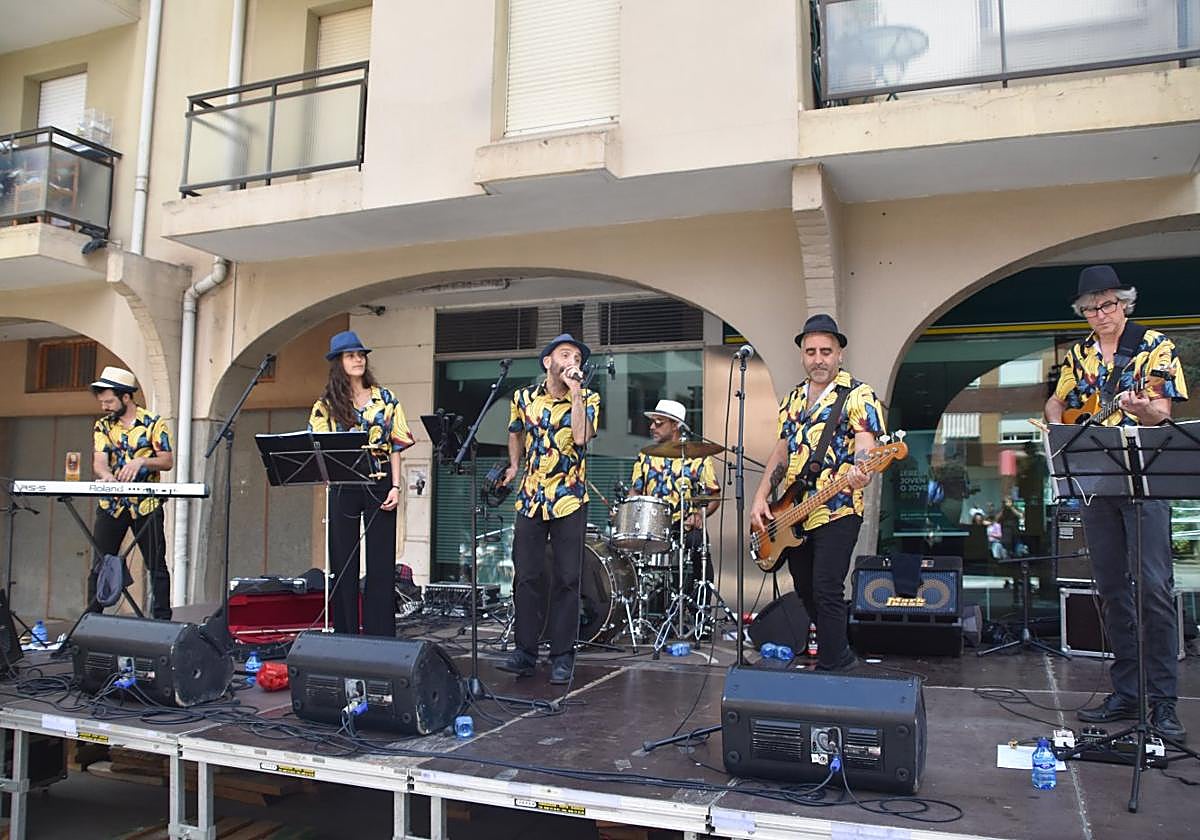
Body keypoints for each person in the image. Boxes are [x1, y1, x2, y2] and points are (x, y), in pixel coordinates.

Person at [1044, 264, 1188, 740]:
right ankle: (1127, 691)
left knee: (1153, 588)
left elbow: (1162, 411)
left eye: (1108, 305)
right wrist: (1055, 422)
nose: (1100, 315)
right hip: (1096, 481)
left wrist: (1143, 407)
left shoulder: (1154, 346)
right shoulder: (1080, 356)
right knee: (1109, 588)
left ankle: (1163, 700)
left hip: (1144, 482)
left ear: (1125, 302)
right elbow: (1058, 403)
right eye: (1090, 308)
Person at [750, 314, 885, 672]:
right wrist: (761, 496)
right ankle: (836, 651)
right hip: (793, 511)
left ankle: (836, 664)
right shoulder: (793, 398)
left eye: (826, 350)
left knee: (827, 588)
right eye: (811, 351)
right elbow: (781, 452)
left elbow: (865, 446)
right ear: (802, 355)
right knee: (807, 590)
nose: (818, 358)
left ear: (839, 353)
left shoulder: (858, 394)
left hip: (838, 507)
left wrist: (862, 471)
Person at [498, 333, 600, 685]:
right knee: (526, 576)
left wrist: (576, 394)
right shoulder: (524, 397)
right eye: (565, 353)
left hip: (569, 497)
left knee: (568, 579)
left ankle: (562, 655)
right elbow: (515, 431)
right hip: (530, 497)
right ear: (547, 362)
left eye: (577, 356)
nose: (573, 360)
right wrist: (514, 466)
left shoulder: (588, 398)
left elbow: (582, 436)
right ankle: (525, 652)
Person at [308, 330, 413, 637]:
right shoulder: (325, 405)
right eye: (351, 355)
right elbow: (316, 446)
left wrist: (396, 486)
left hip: (379, 479)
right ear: (338, 362)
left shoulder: (386, 399)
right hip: (342, 483)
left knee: (380, 564)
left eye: (361, 355)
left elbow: (396, 445)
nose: (358, 359)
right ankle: (346, 635)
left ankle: (381, 638)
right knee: (344, 564)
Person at [89, 366, 174, 619]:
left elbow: (167, 460)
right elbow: (99, 461)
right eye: (102, 402)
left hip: (146, 504)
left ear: (126, 397)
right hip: (112, 504)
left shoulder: (153, 423)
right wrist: (106, 476)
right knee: (100, 566)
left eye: (109, 401)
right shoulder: (103, 425)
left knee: (156, 565)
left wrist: (141, 462)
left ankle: (162, 623)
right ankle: (90, 623)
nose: (105, 407)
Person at [629, 398, 720, 582]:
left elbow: (714, 495)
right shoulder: (645, 456)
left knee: (699, 548)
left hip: (685, 528)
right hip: (652, 528)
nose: (652, 427)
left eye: (659, 423)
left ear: (675, 425)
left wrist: (699, 516)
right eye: (652, 422)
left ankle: (698, 607)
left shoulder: (697, 458)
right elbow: (635, 492)